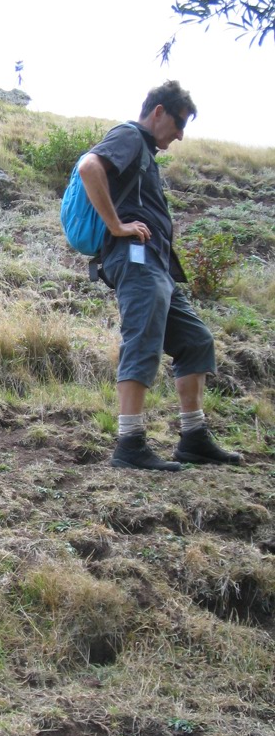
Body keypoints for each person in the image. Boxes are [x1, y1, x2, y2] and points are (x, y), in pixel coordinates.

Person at [78, 80, 243, 472]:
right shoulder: (129, 136)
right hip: (136, 260)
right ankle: (129, 443)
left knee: (196, 341)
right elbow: (89, 167)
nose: (181, 135)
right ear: (158, 112)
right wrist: (116, 225)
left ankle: (194, 438)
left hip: (156, 265)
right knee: (143, 339)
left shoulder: (144, 151)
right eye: (179, 123)